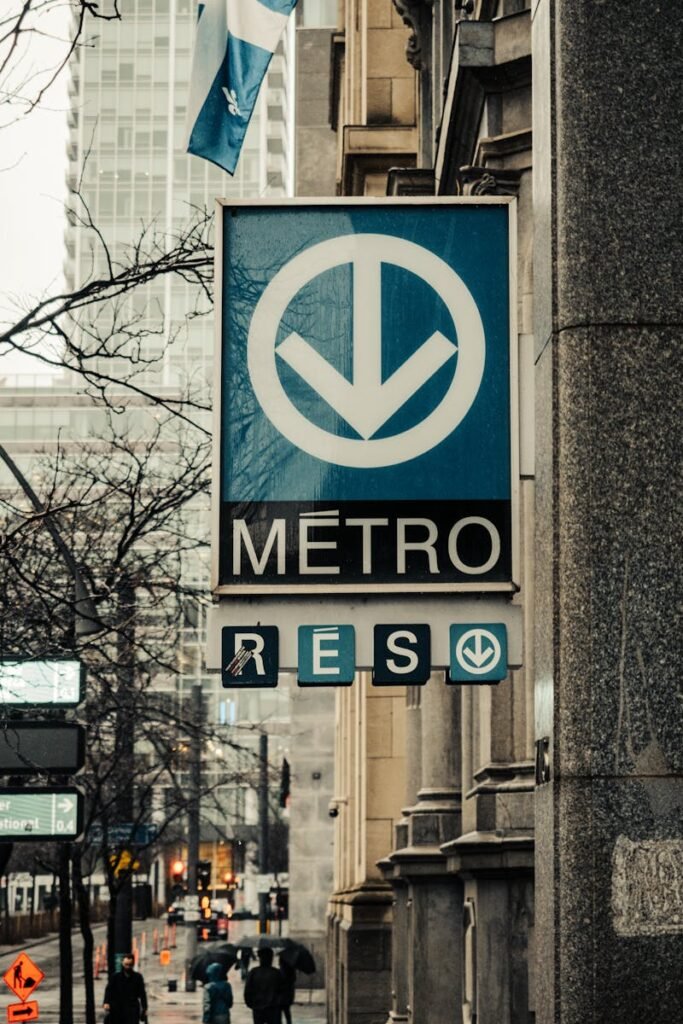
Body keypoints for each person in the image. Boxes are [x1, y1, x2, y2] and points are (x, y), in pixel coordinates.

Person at [243, 947, 286, 1024]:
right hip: (273, 1008)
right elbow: (283, 991)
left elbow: (247, 990)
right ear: (271, 958)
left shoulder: (254, 972)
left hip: (258, 1007)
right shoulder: (276, 973)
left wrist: (251, 1004)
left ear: (260, 958)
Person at [103, 953, 147, 1024]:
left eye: (130, 965)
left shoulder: (137, 977)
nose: (128, 967)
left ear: (133, 964)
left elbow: (142, 993)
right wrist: (106, 1002)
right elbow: (109, 990)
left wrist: (144, 1008)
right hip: (117, 1008)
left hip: (132, 1009)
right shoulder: (115, 977)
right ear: (122, 963)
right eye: (126, 964)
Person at [278, 957, 296, 1024]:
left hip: (281, 997)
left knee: (279, 1014)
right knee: (287, 1012)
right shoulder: (291, 971)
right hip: (288, 996)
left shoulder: (281, 972)